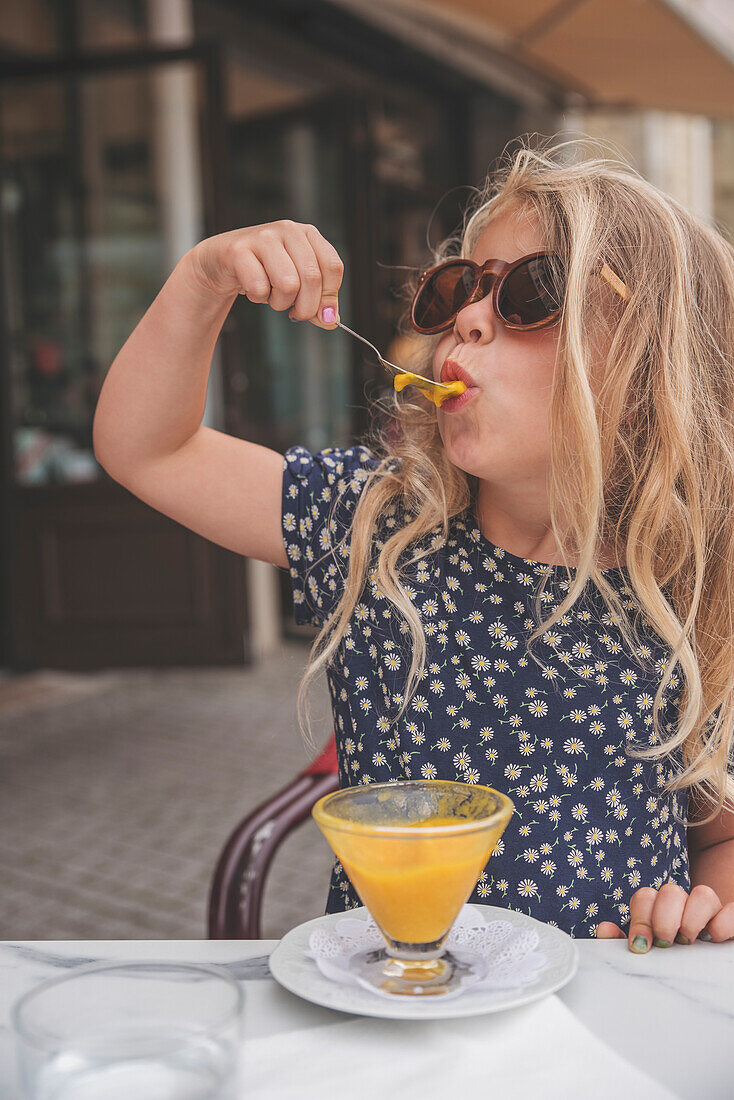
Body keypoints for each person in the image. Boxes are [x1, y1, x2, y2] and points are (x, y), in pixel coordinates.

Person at [93, 137, 734, 948]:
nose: (466, 318)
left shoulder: (687, 582)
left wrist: (703, 908)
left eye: (530, 292)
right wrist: (202, 280)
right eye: (463, 287)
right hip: (398, 1010)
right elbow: (148, 449)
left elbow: (718, 836)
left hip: (602, 1017)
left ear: (652, 359)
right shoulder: (374, 524)